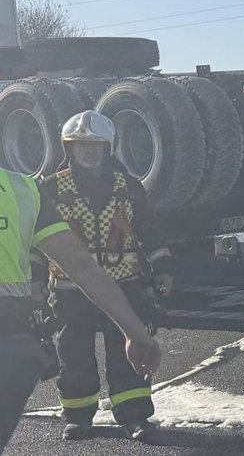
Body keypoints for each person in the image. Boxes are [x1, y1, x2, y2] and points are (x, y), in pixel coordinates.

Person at [1, 164, 160, 450]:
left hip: (12, 348)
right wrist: (134, 331)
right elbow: (82, 265)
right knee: (73, 352)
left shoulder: (27, 190)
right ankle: (79, 412)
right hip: (11, 350)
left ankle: (125, 412)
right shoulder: (22, 189)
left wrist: (134, 330)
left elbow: (82, 264)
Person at [38, 111, 173, 442]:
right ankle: (78, 417)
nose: (87, 151)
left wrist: (164, 268)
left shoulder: (128, 186)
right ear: (68, 149)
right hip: (69, 289)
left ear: (108, 149)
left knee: (128, 353)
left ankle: (135, 417)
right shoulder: (50, 188)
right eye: (79, 145)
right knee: (73, 354)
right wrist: (35, 284)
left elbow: (149, 230)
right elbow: (35, 239)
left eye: (94, 146)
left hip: (124, 285)